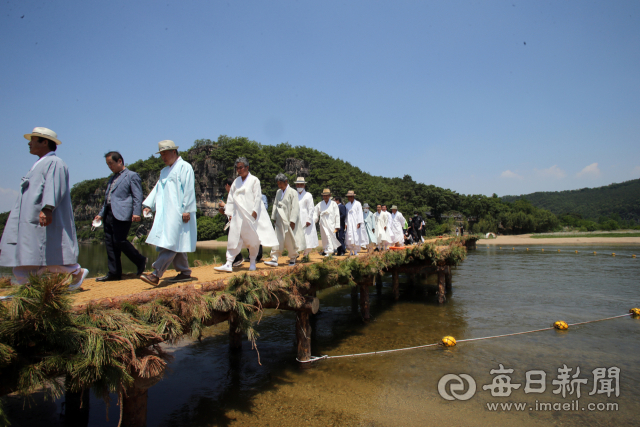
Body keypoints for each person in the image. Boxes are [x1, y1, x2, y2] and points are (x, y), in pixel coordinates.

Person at [0, 127, 88, 289]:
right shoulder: (39, 163)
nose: (29, 143)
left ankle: (75, 272)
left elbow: (54, 186)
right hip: (28, 218)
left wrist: (47, 208)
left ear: (45, 142)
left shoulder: (54, 162)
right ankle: (28, 289)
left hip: (39, 217)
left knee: (46, 252)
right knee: (26, 255)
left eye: (33, 140)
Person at [140, 141, 197, 285]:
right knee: (177, 243)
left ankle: (156, 273)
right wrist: (149, 205)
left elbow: (189, 189)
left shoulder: (185, 167)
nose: (163, 157)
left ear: (174, 152)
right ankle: (184, 272)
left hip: (180, 213)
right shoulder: (164, 171)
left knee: (171, 243)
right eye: (161, 154)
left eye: (165, 153)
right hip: (167, 213)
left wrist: (186, 210)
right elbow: (157, 189)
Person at [214, 157, 277, 272]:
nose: (239, 170)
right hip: (238, 215)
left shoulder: (254, 180)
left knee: (253, 239)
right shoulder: (236, 182)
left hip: (250, 215)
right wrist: (229, 212)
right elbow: (231, 198)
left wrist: (255, 212)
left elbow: (258, 197)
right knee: (233, 237)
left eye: (241, 167)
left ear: (247, 167)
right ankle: (229, 263)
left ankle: (252, 262)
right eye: (237, 168)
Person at [93, 151, 147, 281]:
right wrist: (100, 215)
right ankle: (114, 272)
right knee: (110, 243)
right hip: (108, 213)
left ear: (120, 161)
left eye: (111, 163)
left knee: (119, 240)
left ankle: (140, 260)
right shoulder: (111, 178)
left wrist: (136, 212)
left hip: (123, 213)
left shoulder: (132, 176)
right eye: (107, 164)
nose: (109, 166)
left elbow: (137, 195)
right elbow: (107, 199)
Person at [265, 174, 306, 267]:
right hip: (279, 218)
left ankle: (292, 258)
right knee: (277, 238)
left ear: (286, 181)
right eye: (278, 184)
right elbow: (275, 204)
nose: (279, 185)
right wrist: (274, 217)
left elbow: (295, 207)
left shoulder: (293, 192)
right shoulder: (278, 192)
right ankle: (274, 258)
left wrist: (292, 221)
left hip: (288, 219)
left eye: (281, 183)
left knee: (289, 239)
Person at [295, 177, 319, 257]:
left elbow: (311, 208)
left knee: (307, 236)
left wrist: (309, 219)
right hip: (297, 218)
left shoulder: (308, 195)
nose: (299, 186)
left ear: (304, 185)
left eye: (301, 184)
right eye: (298, 184)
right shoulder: (294, 194)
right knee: (296, 235)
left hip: (306, 218)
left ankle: (306, 254)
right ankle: (296, 252)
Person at [314, 189, 341, 257]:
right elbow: (315, 213)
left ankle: (331, 251)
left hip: (331, 224)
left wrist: (337, 225)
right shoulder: (319, 204)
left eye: (327, 195)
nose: (325, 197)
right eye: (324, 196)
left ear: (329, 195)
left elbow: (337, 215)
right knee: (324, 237)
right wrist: (313, 221)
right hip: (323, 223)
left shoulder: (334, 204)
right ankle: (326, 251)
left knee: (331, 237)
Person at [344, 191, 366, 256]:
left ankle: (356, 251)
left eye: (349, 197)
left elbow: (360, 213)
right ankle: (350, 251)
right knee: (349, 236)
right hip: (349, 222)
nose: (348, 198)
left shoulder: (358, 204)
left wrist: (359, 222)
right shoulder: (347, 205)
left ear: (352, 197)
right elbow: (346, 215)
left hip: (356, 222)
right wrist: (346, 223)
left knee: (356, 236)